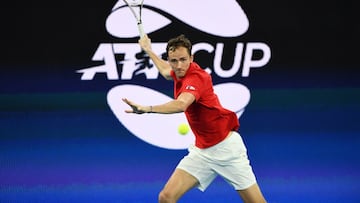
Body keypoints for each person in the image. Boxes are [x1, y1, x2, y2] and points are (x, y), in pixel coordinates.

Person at [122, 34, 266, 203]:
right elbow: (165, 71)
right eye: (173, 61)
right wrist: (148, 50)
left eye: (183, 60)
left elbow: (181, 104)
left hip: (227, 150)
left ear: (191, 58)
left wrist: (147, 109)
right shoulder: (178, 70)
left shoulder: (197, 78)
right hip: (202, 152)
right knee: (166, 197)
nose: (179, 65)